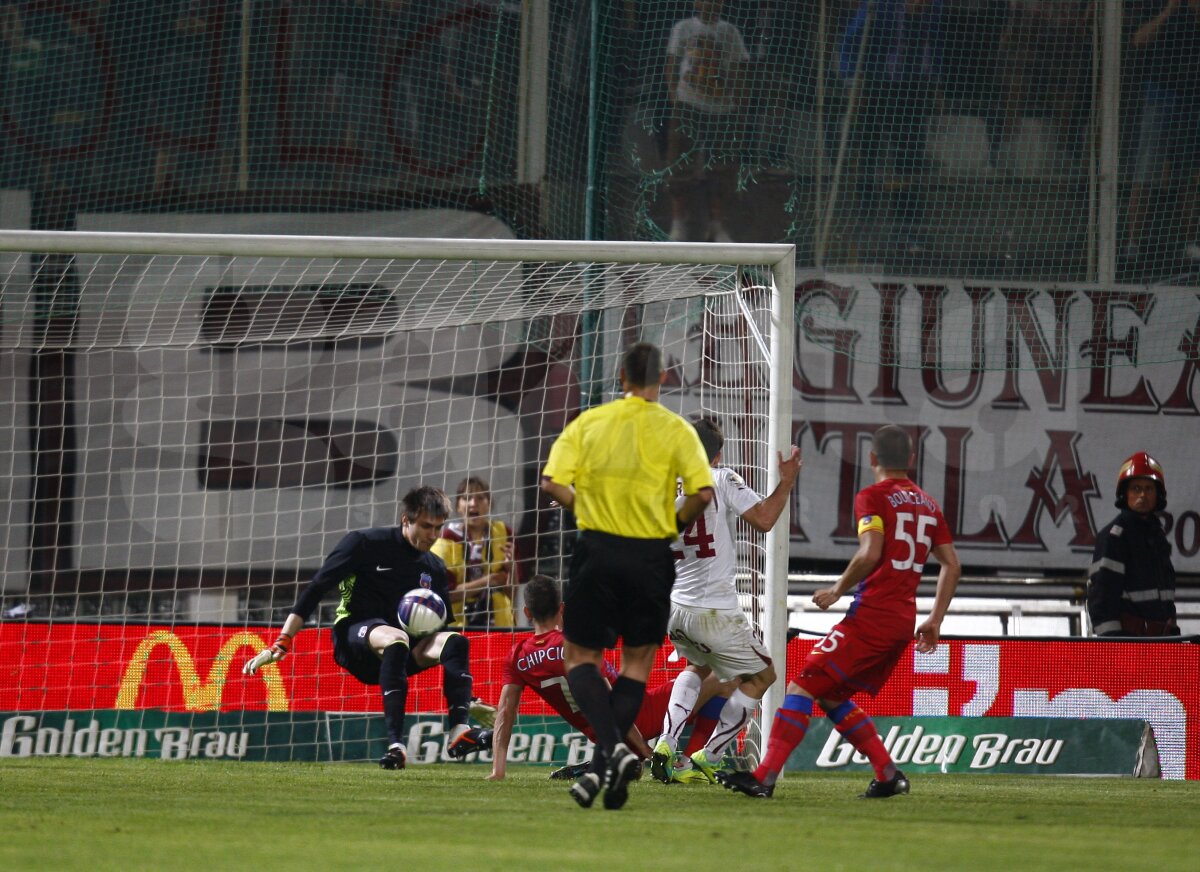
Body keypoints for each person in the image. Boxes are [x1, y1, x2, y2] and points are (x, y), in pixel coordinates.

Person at [717, 424, 961, 799]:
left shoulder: (873, 497)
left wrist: (836, 589)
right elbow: (951, 564)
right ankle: (887, 773)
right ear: (911, 461)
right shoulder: (929, 504)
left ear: (872, 458)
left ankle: (764, 777)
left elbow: (870, 552)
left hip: (872, 616)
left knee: (801, 685)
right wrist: (936, 618)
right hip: (902, 620)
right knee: (828, 694)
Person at [541, 341, 715, 810]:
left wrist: (588, 510)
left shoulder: (591, 423)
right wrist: (667, 528)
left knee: (580, 659)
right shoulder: (678, 430)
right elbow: (701, 491)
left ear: (621, 377)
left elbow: (551, 482)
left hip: (597, 548)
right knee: (637, 664)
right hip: (651, 556)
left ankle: (609, 753)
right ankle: (609, 758)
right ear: (661, 380)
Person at [242, 485, 496, 770]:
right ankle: (396, 745)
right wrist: (283, 641)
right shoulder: (364, 543)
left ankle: (459, 732)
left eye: (438, 527)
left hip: (400, 653)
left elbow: (439, 633)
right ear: (406, 520)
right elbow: (316, 589)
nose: (433, 535)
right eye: (426, 526)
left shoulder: (434, 566)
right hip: (355, 641)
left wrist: (466, 696)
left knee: (456, 642)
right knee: (396, 638)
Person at [456, 574, 730, 781]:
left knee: (631, 766)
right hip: (637, 717)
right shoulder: (574, 646)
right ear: (562, 608)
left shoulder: (517, 656)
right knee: (726, 675)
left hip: (606, 735)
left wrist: (498, 770)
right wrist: (648, 754)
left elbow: (505, 712)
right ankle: (685, 762)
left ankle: (607, 761)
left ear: (527, 613)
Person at [651, 418, 802, 785]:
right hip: (714, 609)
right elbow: (764, 520)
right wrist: (787, 482)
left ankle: (666, 744)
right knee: (764, 675)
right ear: (717, 455)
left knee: (696, 667)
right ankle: (710, 756)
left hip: (676, 607)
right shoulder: (719, 477)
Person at [839, 0, 944, 257]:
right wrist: (853, 78)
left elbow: (939, 45)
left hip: (914, 90)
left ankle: (908, 230)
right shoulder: (880, 7)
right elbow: (851, 40)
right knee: (869, 154)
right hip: (878, 86)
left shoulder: (935, 10)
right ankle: (864, 221)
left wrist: (937, 81)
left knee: (909, 160)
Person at [662, 0, 750, 243]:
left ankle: (716, 225)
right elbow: (671, 63)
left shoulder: (729, 32)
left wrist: (738, 105)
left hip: (721, 108)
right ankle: (678, 223)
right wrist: (675, 98)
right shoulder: (683, 28)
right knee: (680, 164)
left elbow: (738, 69)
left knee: (720, 168)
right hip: (688, 105)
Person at [1122, 1, 1200, 264]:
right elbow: (1139, 39)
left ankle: (1189, 243)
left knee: (1188, 176)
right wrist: (1169, 10)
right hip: (1159, 95)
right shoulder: (1162, 6)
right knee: (1145, 173)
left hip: (1192, 100)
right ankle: (1132, 244)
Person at [1087, 452, 1179, 637]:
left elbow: (1166, 601)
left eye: (1149, 488)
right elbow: (1102, 600)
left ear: (1158, 494)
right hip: (1130, 645)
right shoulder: (1115, 537)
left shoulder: (1157, 537)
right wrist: (1115, 647)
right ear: (1125, 494)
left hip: (1161, 644)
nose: (1143, 495)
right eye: (1136, 488)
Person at [431, 475, 518, 629]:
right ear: (457, 506)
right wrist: (487, 581)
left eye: (480, 498)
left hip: (500, 627)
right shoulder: (445, 539)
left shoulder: (503, 532)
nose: (473, 504)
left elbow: (512, 593)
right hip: (458, 628)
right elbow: (444, 596)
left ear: (490, 504)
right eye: (466, 498)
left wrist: (512, 568)